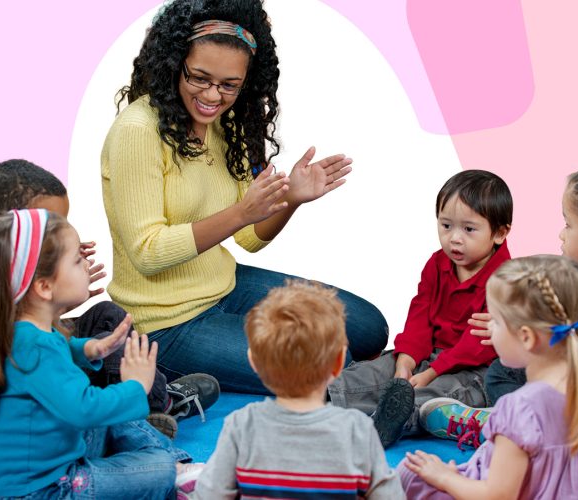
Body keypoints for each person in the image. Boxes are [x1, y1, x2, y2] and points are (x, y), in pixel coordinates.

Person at [100, 0, 388, 394]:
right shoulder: (138, 130)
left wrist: (291, 200)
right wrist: (239, 212)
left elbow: (249, 238)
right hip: (165, 322)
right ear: (174, 64)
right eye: (199, 78)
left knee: (370, 328)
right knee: (327, 367)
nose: (212, 96)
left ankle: (355, 386)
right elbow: (147, 254)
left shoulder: (225, 125)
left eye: (229, 85)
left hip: (226, 284)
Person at [0, 159, 221, 439]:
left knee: (108, 315)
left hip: (46, 347)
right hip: (32, 373)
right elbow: (18, 347)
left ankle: (157, 402)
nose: (61, 230)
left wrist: (60, 294)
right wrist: (52, 308)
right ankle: (138, 414)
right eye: (52, 224)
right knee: (111, 349)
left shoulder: (30, 263)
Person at [0, 209, 181, 498]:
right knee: (160, 466)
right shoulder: (35, 347)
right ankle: (176, 467)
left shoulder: (18, 329)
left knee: (114, 410)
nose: (86, 264)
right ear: (45, 286)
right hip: (44, 490)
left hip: (48, 460)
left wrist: (89, 348)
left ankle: (172, 464)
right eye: (76, 260)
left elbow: (55, 352)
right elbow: (84, 410)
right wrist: (137, 386)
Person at [400, 255, 578, 499]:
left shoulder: (521, 408)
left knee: (412, 476)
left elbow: (496, 496)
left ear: (526, 337)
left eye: (497, 322)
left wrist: (445, 478)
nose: (490, 328)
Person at [466, 165, 578, 481]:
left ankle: (493, 423)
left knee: (518, 379)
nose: (561, 234)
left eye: (568, 224)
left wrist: (531, 349)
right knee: (503, 371)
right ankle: (503, 420)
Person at [327, 169, 511, 448]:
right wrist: (407, 362)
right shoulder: (437, 264)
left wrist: (430, 373)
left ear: (499, 233)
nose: (455, 239)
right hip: (429, 356)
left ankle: (389, 422)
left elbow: (477, 345)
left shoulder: (507, 279)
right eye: (446, 226)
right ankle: (326, 395)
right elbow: (420, 315)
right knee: (378, 370)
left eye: (469, 229)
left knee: (441, 395)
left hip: (475, 369)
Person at [176, 280, 405, 499]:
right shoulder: (357, 430)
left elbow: (213, 493)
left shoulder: (241, 426)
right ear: (338, 363)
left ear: (254, 363)